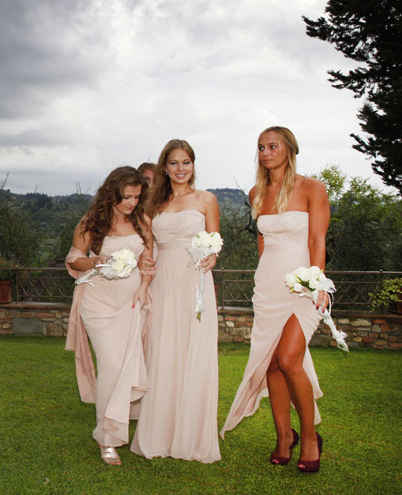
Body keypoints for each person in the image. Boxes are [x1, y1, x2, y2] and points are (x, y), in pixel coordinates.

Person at [220, 126, 330, 473]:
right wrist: (261, 277)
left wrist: (319, 282)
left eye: (273, 146)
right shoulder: (256, 191)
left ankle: (310, 437)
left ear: (289, 149)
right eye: (261, 147)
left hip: (303, 285)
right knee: (270, 363)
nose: (266, 152)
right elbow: (263, 242)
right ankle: (284, 437)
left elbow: (317, 240)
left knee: (288, 358)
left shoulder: (313, 188)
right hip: (268, 285)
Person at [130, 139, 221, 463]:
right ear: (165, 168)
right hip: (165, 282)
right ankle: (160, 432)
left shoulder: (207, 200)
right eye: (174, 163)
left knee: (194, 352)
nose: (180, 169)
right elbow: (148, 251)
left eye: (186, 162)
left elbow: (214, 243)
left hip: (195, 283)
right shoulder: (153, 206)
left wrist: (211, 256)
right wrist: (143, 281)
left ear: (193, 165)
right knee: (163, 351)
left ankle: (192, 436)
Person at [65, 166, 153, 466]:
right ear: (111, 192)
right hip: (98, 303)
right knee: (112, 364)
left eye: (136, 197)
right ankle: (107, 437)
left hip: (131, 302)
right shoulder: (91, 223)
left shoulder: (142, 221)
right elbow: (74, 260)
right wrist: (95, 261)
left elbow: (149, 262)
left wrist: (143, 288)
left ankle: (117, 425)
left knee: (124, 365)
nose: (131, 203)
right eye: (126, 196)